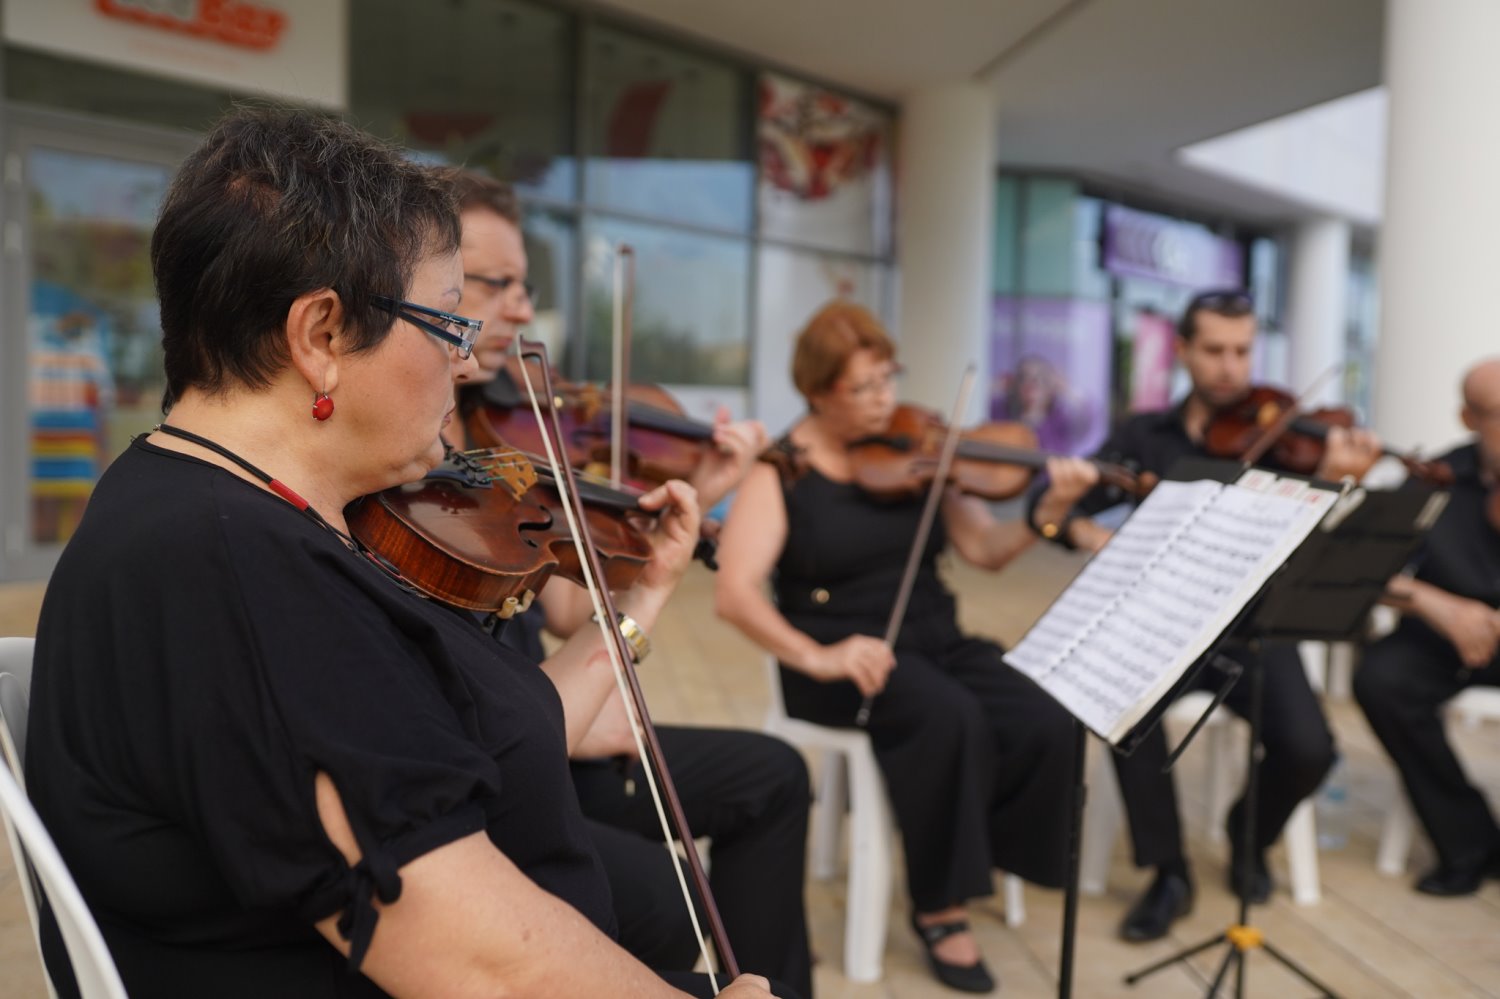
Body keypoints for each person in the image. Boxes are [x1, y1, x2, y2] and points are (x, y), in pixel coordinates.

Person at [25, 106, 775, 999]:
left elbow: (489, 747)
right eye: (449, 322)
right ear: (322, 336)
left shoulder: (233, 512)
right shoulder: (232, 566)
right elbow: (483, 963)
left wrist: (641, 596)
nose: (464, 364)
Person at [438, 168, 814, 997]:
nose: (523, 309)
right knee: (670, 899)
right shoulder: (409, 449)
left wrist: (702, 494)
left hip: (555, 727)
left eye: (524, 285)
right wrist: (560, 711)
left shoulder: (519, 418)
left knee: (774, 775)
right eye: (495, 284)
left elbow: (571, 599)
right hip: (525, 746)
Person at [714, 300, 1091, 995]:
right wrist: (818, 656)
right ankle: (940, 908)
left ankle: (982, 850)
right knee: (951, 719)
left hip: (934, 635)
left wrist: (1044, 518)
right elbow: (734, 593)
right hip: (838, 653)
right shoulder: (782, 470)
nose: (886, 398)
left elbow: (984, 548)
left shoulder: (920, 448)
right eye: (864, 388)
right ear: (819, 392)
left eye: (889, 378)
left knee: (1046, 712)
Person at [1030, 288, 1384, 942]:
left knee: (1310, 748)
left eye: (1243, 350)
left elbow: (1315, 552)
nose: (1230, 367)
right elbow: (1049, 507)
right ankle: (1169, 871)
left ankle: (1247, 836)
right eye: (1215, 350)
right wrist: (1082, 529)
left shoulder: (1284, 437)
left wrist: (1337, 485)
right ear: (1185, 349)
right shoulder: (1142, 434)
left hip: (1252, 630)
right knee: (1123, 714)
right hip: (1159, 626)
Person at [1355, 357, 1500, 897]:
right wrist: (1437, 605)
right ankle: (1469, 841)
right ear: (1467, 417)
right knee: (1381, 679)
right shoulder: (1431, 479)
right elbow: (1364, 570)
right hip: (1444, 639)